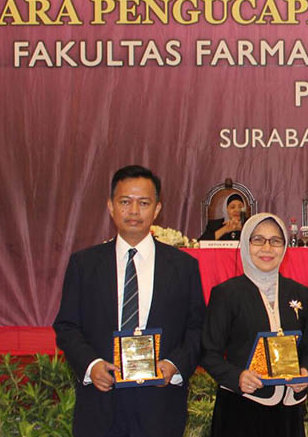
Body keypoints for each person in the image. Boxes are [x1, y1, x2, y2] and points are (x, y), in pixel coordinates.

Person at [53, 165, 205, 437]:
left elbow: (198, 328)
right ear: (111, 207)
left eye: (143, 203)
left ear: (157, 209)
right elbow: (67, 326)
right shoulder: (84, 264)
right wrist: (91, 365)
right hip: (100, 402)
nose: (134, 211)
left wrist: (174, 365)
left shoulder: (184, 266)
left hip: (160, 405)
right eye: (125, 202)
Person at [200, 213, 308, 437]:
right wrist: (237, 376)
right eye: (258, 240)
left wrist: (306, 372)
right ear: (246, 243)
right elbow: (208, 352)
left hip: (288, 410)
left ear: (285, 246)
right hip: (241, 408)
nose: (267, 248)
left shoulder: (300, 293)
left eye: (275, 240)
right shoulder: (226, 294)